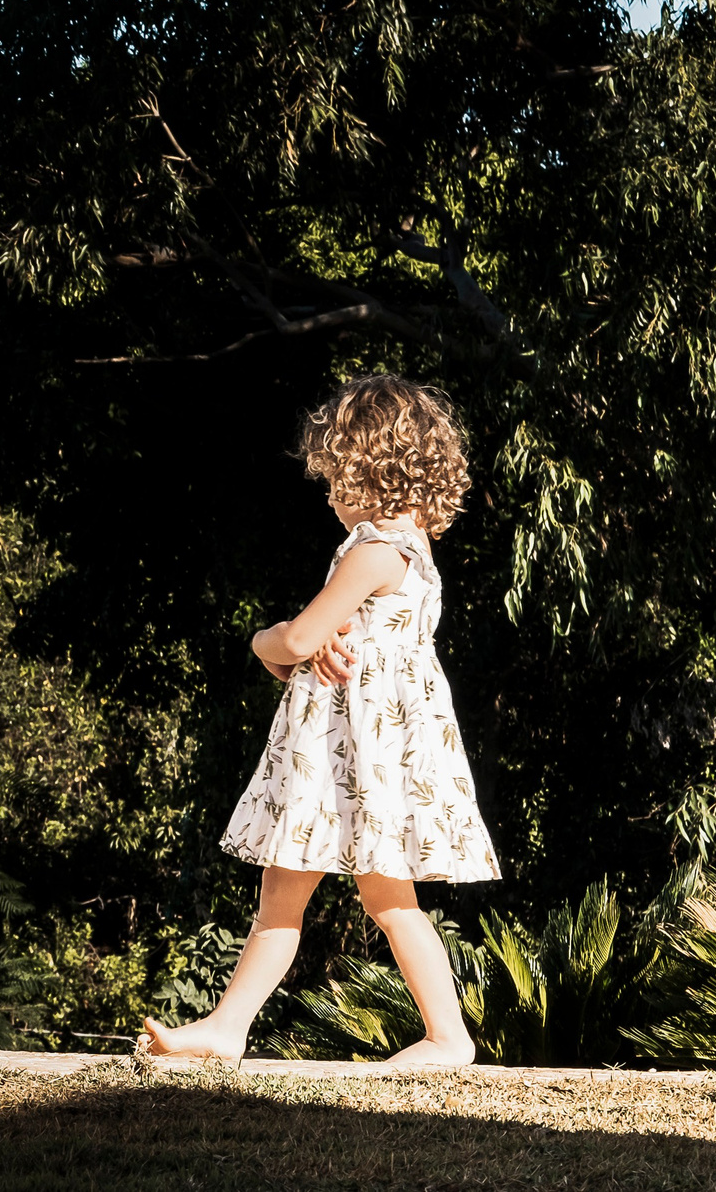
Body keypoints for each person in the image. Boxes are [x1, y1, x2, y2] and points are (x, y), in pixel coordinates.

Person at [138, 374, 501, 1068]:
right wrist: (315, 643)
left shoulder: (373, 550)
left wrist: (263, 639)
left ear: (369, 471)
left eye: (335, 476)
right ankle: (227, 1025)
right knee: (319, 894)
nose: (329, 492)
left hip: (348, 757)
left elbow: (299, 640)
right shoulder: (413, 555)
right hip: (356, 753)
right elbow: (338, 639)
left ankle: (448, 1037)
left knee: (367, 900)